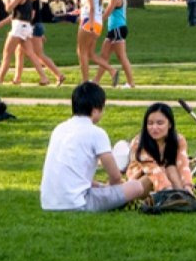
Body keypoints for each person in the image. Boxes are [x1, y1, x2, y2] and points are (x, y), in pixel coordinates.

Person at [40, 81, 154, 212]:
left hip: (48, 203)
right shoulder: (96, 133)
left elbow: (77, 176)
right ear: (95, 110)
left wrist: (101, 186)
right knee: (136, 187)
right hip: (78, 203)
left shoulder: (59, 129)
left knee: (99, 186)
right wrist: (113, 188)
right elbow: (115, 177)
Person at [126, 102, 195, 193]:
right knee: (161, 171)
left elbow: (183, 165)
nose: (154, 127)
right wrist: (167, 189)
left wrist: (187, 186)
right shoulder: (138, 142)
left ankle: (182, 195)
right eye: (150, 123)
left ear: (170, 124)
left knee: (171, 168)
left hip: (166, 175)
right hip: (142, 178)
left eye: (160, 123)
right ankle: (171, 196)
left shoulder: (178, 140)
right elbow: (152, 169)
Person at [98, 0, 137, 89]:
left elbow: (107, 13)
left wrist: (95, 22)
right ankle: (96, 80)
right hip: (113, 30)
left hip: (117, 29)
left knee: (122, 57)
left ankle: (131, 83)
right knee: (104, 56)